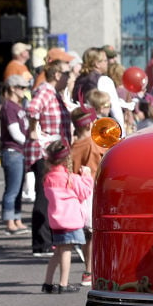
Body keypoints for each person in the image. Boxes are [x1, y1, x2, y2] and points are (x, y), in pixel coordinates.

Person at [26, 60, 73, 257]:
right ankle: (41, 243)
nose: (68, 78)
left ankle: (47, 239)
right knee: (44, 197)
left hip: (53, 152)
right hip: (44, 152)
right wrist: (34, 131)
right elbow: (32, 109)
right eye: (66, 74)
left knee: (49, 196)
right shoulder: (45, 91)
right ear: (56, 75)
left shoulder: (55, 93)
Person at [40, 139, 92, 295]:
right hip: (70, 220)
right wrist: (86, 176)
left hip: (56, 221)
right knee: (66, 251)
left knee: (58, 251)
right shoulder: (71, 178)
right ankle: (63, 283)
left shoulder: (48, 178)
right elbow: (85, 192)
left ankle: (48, 283)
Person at [70, 107, 106, 287]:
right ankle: (91, 271)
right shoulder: (94, 143)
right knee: (94, 234)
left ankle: (88, 269)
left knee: (88, 234)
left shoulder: (73, 145)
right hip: (93, 190)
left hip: (78, 192)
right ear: (91, 123)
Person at [0, 75, 31, 235]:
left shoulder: (18, 106)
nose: (25, 91)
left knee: (18, 188)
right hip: (12, 152)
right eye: (22, 87)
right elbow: (15, 133)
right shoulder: (8, 107)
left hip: (20, 152)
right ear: (12, 88)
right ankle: (9, 222)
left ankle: (17, 219)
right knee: (12, 189)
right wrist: (31, 142)